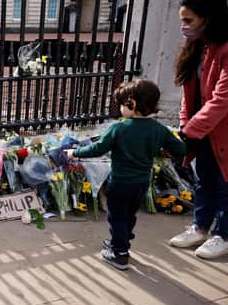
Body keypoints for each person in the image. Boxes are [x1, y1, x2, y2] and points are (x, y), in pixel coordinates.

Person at [66, 80, 186, 270]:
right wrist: (161, 151)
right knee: (129, 214)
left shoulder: (120, 128)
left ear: (132, 103)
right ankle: (121, 241)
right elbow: (180, 148)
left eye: (122, 104)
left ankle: (120, 253)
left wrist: (74, 153)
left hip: (120, 182)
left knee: (117, 216)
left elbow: (98, 148)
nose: (121, 108)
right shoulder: (158, 129)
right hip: (141, 183)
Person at [169, 0, 228, 259]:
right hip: (203, 131)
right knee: (203, 180)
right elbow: (188, 95)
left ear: (208, 19)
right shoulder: (197, 48)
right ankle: (201, 227)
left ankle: (223, 234)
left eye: (189, 20)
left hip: (223, 132)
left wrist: (189, 130)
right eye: (182, 20)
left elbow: (221, 100)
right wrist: (185, 125)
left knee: (225, 183)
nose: (184, 26)